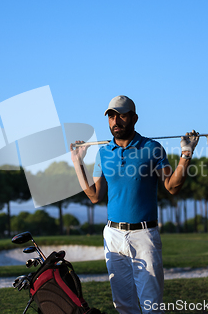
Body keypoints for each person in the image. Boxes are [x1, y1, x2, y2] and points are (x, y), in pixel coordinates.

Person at [70, 95, 199, 314]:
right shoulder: (103, 152)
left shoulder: (153, 148)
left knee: (151, 305)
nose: (115, 121)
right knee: (123, 305)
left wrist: (186, 154)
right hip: (113, 235)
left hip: (144, 235)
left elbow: (171, 186)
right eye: (111, 116)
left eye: (121, 115)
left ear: (134, 118)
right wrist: (77, 162)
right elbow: (94, 196)